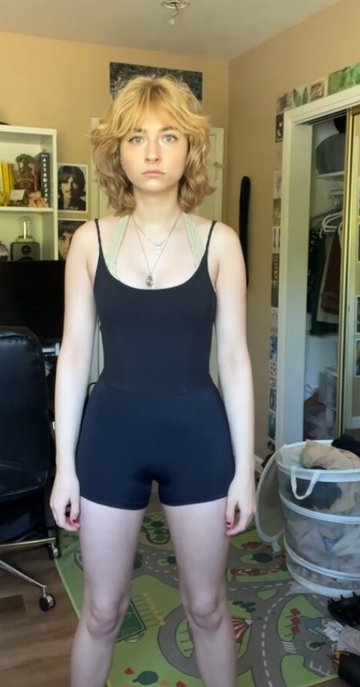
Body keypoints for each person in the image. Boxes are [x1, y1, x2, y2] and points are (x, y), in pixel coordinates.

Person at [50, 75, 255, 687]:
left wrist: (245, 470)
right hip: (111, 437)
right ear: (118, 151)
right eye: (137, 137)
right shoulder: (88, 242)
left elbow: (235, 359)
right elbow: (75, 357)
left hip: (199, 437)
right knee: (101, 613)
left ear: (191, 148)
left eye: (169, 136)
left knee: (208, 608)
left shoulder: (221, 243)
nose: (153, 151)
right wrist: (64, 466)